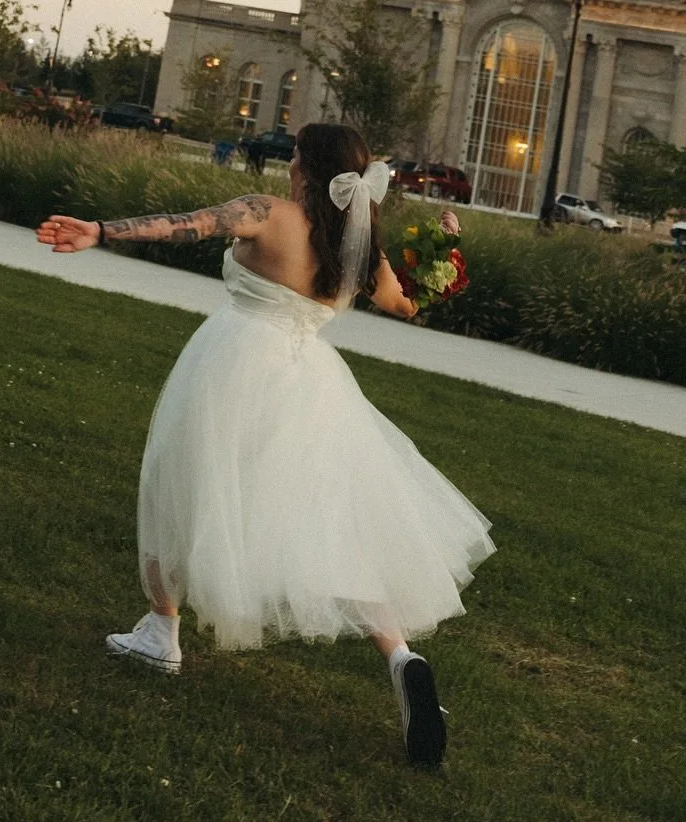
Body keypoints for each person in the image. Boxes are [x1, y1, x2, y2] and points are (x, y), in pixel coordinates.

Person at [36, 121, 494, 770]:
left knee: (178, 481)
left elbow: (187, 224)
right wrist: (434, 256)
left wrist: (101, 232)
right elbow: (404, 306)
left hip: (233, 366)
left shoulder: (270, 215)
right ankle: (400, 655)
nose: (289, 165)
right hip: (309, 384)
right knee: (335, 523)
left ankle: (161, 631)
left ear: (305, 167)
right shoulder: (358, 247)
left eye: (296, 157)